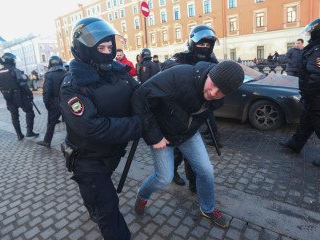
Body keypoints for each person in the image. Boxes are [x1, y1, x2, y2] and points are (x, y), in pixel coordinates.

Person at [132, 60, 244, 228]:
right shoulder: (180, 76)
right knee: (164, 178)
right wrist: (155, 137)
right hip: (163, 135)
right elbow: (140, 97)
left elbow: (202, 114)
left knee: (206, 170)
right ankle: (142, 195)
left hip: (188, 134)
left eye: (221, 92)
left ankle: (207, 208)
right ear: (209, 74)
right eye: (213, 85)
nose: (213, 93)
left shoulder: (218, 99)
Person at [59, 17, 142, 239]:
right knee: (108, 209)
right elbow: (92, 127)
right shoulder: (72, 86)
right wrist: (137, 125)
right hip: (88, 160)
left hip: (111, 155)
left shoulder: (118, 73)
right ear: (84, 50)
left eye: (109, 47)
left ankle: (93, 203)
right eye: (100, 47)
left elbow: (140, 95)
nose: (107, 52)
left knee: (96, 195)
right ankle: (95, 206)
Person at [161, 25, 222, 192]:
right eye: (201, 44)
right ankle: (173, 172)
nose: (205, 47)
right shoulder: (182, 56)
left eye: (208, 44)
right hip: (181, 111)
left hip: (201, 110)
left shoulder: (212, 60)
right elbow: (167, 67)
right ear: (193, 42)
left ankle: (194, 181)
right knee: (179, 150)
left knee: (195, 152)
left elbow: (221, 78)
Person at [279, 17, 320, 169]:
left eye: (312, 33)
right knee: (306, 123)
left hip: (319, 97)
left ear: (319, 33)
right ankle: (295, 145)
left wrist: (308, 93)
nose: (309, 36)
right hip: (317, 97)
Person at [0, 53, 39, 140]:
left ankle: (19, 135)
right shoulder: (15, 70)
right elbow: (23, 84)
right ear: (11, 61)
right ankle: (29, 132)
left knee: (14, 115)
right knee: (30, 112)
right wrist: (30, 94)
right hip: (19, 96)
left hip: (8, 96)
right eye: (14, 60)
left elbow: (1, 86)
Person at [37, 56, 66, 148]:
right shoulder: (66, 72)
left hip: (55, 101)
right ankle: (74, 141)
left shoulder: (49, 75)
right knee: (70, 122)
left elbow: (46, 92)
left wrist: (47, 104)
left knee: (51, 123)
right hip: (66, 100)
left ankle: (47, 141)